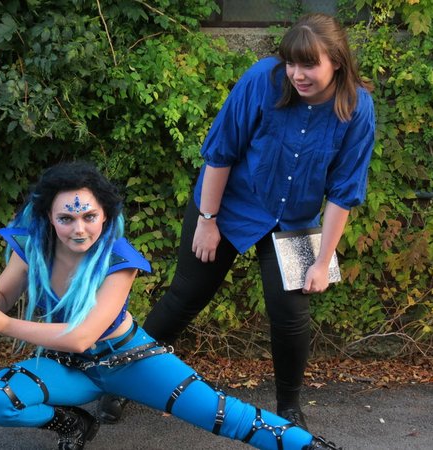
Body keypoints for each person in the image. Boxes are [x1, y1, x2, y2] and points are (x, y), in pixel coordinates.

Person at [99, 12, 375, 431]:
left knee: (290, 313)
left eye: (309, 64)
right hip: (228, 204)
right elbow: (221, 152)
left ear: (336, 60)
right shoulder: (264, 80)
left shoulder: (357, 109)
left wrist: (323, 261)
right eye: (291, 63)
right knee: (185, 297)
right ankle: (121, 383)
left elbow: (343, 191)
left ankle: (290, 406)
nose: (297, 74)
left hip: (296, 219)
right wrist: (207, 221)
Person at [0, 161, 340, 450]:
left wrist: (4, 324)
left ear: (105, 215)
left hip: (129, 361)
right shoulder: (32, 248)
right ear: (49, 219)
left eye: (89, 216)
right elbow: (2, 296)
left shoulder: (119, 260)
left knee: (223, 415)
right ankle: (74, 423)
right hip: (69, 371)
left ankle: (310, 447)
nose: (78, 229)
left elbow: (81, 337)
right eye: (65, 218)